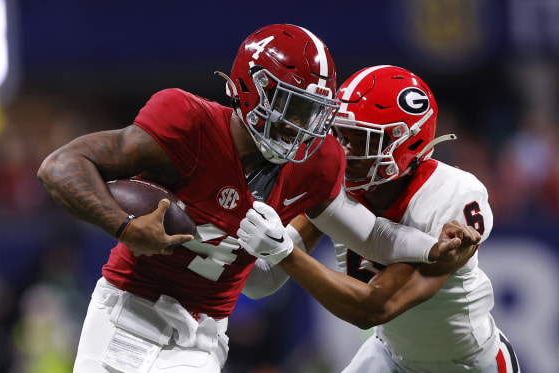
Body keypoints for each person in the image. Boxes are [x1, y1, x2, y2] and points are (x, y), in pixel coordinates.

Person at [38, 23, 475, 373]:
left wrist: (431, 246)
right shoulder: (187, 122)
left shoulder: (316, 162)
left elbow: (369, 233)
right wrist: (123, 226)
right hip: (127, 309)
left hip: (205, 331)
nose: (301, 126)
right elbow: (59, 166)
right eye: (292, 106)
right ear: (252, 88)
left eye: (313, 112)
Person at [238, 65, 520, 372]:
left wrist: (283, 252)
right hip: (388, 355)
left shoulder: (450, 196)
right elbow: (263, 281)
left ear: (406, 143)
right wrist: (232, 231)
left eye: (362, 140)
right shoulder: (335, 183)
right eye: (341, 134)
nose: (345, 150)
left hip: (463, 364)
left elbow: (376, 307)